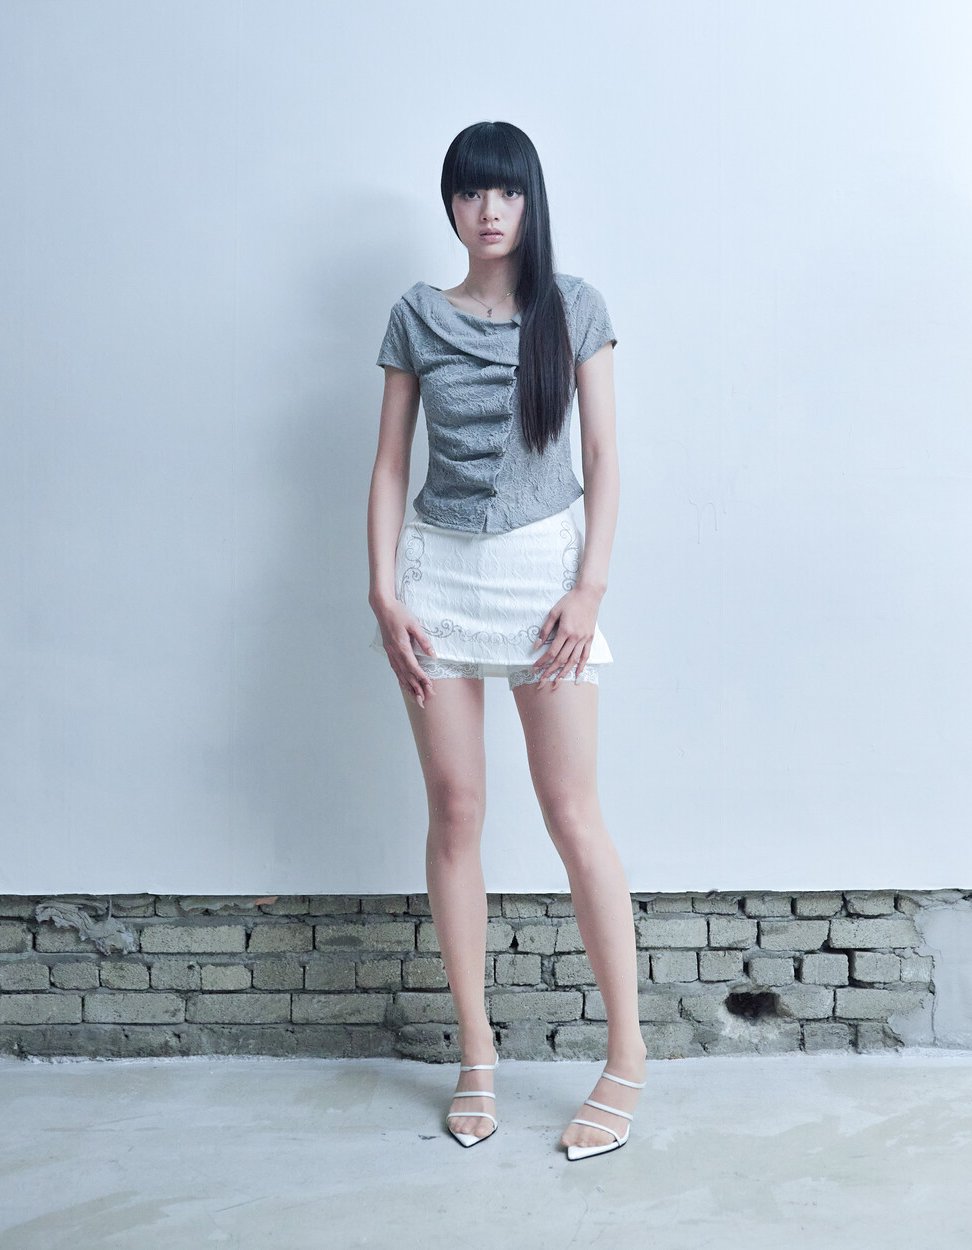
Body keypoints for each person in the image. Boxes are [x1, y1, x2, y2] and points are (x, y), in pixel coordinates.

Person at [367, 120, 646, 1161]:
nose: (489, 211)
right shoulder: (415, 314)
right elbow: (390, 464)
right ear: (450, 204)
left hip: (544, 574)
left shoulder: (574, 308)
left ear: (530, 201)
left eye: (507, 192)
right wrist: (382, 591)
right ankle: (476, 1051)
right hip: (435, 576)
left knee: (573, 812)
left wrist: (587, 589)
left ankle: (626, 1055)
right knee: (456, 809)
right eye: (470, 192)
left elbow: (604, 458)